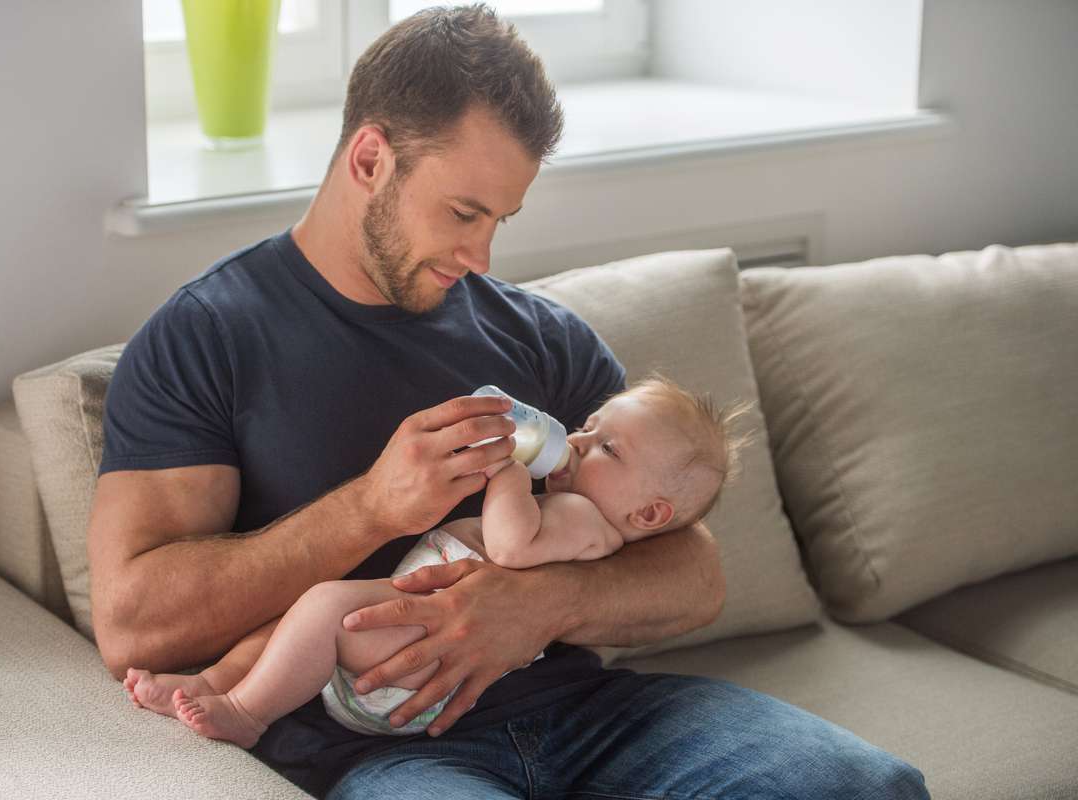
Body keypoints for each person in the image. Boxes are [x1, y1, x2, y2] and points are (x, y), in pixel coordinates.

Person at [88, 5, 929, 797]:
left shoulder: (542, 339)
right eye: (463, 212)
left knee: (870, 786)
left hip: (592, 717)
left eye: (502, 218)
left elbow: (692, 570)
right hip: (390, 749)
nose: (483, 256)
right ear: (370, 160)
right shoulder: (207, 338)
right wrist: (372, 509)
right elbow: (134, 628)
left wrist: (537, 602)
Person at [120, 376, 748, 746]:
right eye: (587, 425)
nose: (578, 442)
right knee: (298, 620)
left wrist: (505, 470)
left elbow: (509, 547)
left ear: (649, 515)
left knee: (322, 608)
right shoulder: (583, 505)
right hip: (407, 653)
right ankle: (209, 683)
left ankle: (247, 713)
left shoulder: (587, 522)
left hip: (416, 667)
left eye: (606, 446)